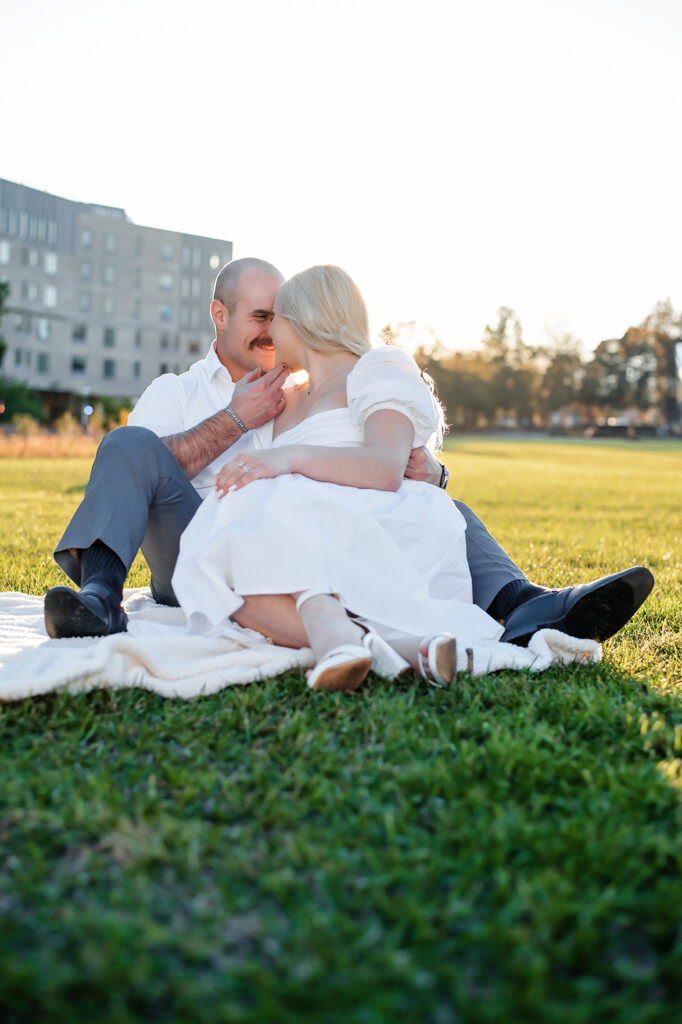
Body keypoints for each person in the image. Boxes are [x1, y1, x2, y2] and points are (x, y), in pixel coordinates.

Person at [44, 258, 654, 648]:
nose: (270, 330)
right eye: (261, 316)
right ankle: (100, 599)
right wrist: (236, 419)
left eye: (280, 317)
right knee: (128, 443)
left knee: (443, 508)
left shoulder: (304, 387)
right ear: (219, 315)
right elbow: (137, 469)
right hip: (198, 536)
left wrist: (431, 471)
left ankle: (527, 604)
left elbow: (363, 462)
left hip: (299, 531)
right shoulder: (175, 392)